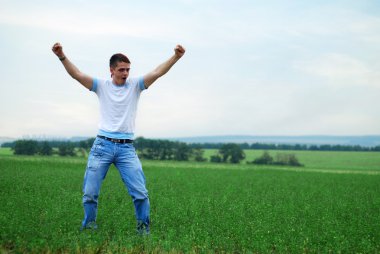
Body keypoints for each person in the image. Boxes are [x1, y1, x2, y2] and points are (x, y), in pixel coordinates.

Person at [52, 42, 185, 234]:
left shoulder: (135, 85)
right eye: (121, 70)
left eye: (128, 70)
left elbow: (157, 72)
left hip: (126, 149)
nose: (125, 73)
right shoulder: (101, 86)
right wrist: (61, 55)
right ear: (111, 70)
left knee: (140, 193)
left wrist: (176, 57)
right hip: (102, 146)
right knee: (90, 193)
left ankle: (143, 231)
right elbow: (77, 74)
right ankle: (89, 228)